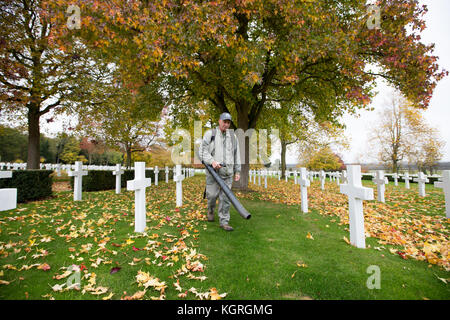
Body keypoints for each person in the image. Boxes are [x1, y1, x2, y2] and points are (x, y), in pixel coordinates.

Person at [200, 112, 241, 231]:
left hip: (227, 173)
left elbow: (236, 154)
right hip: (213, 173)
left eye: (228, 122)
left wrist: (237, 171)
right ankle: (211, 210)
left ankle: (224, 221)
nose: (226, 124)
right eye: (224, 122)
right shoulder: (210, 134)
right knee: (212, 195)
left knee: (226, 199)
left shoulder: (233, 137)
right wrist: (212, 161)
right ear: (219, 121)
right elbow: (203, 152)